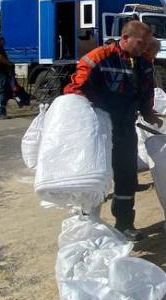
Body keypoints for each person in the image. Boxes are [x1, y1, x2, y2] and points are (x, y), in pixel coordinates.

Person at [64, 20, 160, 239]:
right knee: (94, 178)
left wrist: (147, 111)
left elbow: (146, 91)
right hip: (99, 131)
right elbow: (74, 90)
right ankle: (87, 228)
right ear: (125, 38)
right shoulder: (99, 57)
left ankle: (124, 224)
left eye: (147, 44)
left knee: (126, 177)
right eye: (140, 43)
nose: (144, 47)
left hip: (125, 129)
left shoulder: (144, 63)